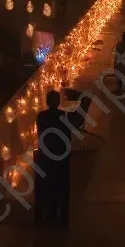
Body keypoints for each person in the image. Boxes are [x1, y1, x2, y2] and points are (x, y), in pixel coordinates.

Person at [35, 90, 73, 228]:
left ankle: (48, 214)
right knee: (61, 187)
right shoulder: (64, 117)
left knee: (47, 186)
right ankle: (62, 217)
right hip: (60, 158)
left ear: (47, 102)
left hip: (45, 157)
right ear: (58, 102)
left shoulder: (41, 117)